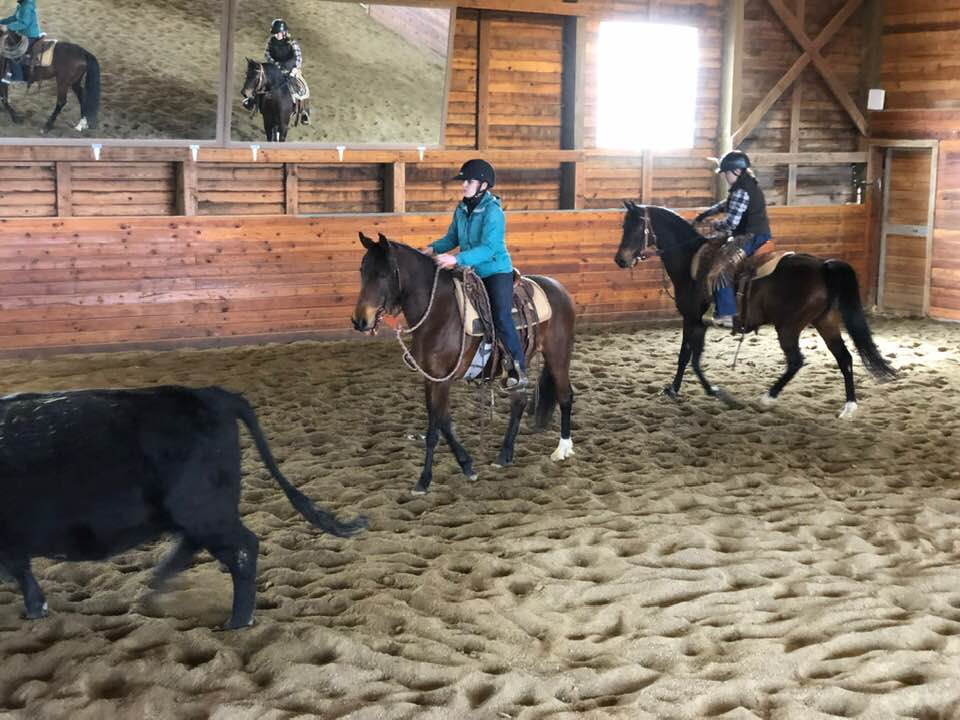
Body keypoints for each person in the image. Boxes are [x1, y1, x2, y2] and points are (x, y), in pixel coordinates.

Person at [426, 159, 527, 391]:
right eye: (464, 182)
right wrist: (431, 249)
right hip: (470, 270)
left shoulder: (494, 212)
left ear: (483, 185)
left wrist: (456, 259)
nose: (464, 186)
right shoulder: (461, 209)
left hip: (495, 271)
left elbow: (490, 248)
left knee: (500, 315)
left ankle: (518, 368)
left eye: (469, 181)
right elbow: (452, 238)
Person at [694, 150, 772, 328]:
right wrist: (707, 213)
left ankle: (727, 314)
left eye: (726, 173)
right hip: (756, 233)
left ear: (736, 171)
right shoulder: (746, 186)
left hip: (750, 237)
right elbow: (726, 204)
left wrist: (714, 224)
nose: (725, 177)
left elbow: (731, 223)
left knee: (721, 270)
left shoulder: (741, 191)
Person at [260, 18, 309, 125]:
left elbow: (298, 57)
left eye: (279, 33)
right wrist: (275, 64)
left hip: (291, 69)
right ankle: (253, 102)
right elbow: (267, 54)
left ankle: (304, 111)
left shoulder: (292, 43)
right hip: (275, 69)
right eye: (275, 33)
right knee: (261, 82)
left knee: (302, 87)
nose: (277, 35)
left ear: (284, 32)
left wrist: (295, 68)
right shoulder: (271, 41)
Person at [0, 0, 43, 85]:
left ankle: (18, 77)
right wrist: (1, 22)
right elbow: (14, 18)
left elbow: (24, 23)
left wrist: (8, 26)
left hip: (29, 35)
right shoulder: (22, 4)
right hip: (23, 34)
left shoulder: (26, 6)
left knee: (12, 53)